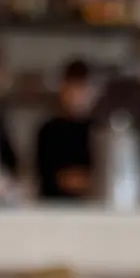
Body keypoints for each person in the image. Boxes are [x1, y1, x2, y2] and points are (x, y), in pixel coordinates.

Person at [35, 59, 96, 201]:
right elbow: (56, 179)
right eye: (72, 87)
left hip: (94, 212)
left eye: (82, 88)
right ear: (62, 88)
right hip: (55, 211)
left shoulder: (100, 131)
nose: (77, 95)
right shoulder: (49, 131)